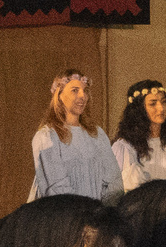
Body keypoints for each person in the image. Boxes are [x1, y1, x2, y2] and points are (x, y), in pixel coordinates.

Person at [30, 70, 122, 206]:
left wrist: (104, 215)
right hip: (62, 217)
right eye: (75, 90)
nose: (82, 96)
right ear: (59, 95)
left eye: (84, 91)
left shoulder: (97, 134)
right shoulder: (47, 136)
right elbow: (57, 188)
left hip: (95, 218)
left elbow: (114, 181)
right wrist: (80, 218)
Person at [111, 80, 166, 191]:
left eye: (163, 102)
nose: (161, 108)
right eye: (153, 103)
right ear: (139, 109)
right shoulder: (125, 148)